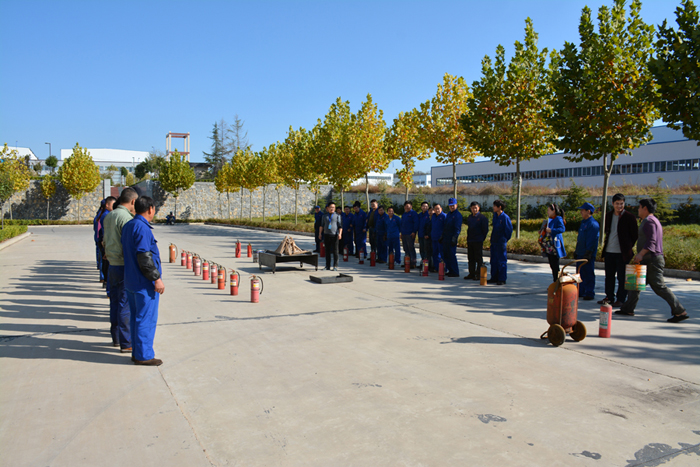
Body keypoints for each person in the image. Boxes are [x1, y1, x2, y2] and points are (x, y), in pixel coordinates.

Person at [618, 199, 689, 323]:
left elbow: (652, 242)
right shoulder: (651, 220)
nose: (638, 210)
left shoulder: (649, 221)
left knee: (659, 286)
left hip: (652, 260)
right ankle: (628, 308)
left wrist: (640, 254)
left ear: (645, 208)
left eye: (639, 207)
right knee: (635, 283)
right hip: (648, 259)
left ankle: (679, 311)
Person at [121, 196, 165, 366]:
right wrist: (157, 279)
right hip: (143, 283)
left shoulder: (129, 225)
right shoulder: (142, 228)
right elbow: (144, 258)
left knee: (136, 318)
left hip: (131, 281)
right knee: (145, 319)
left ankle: (137, 352)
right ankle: (144, 355)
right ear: (150, 209)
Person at [103, 188, 137, 352]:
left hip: (112, 264)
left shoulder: (109, 216)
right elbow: (128, 244)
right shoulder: (126, 218)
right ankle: (126, 343)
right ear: (132, 201)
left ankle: (116, 337)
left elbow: (104, 240)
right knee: (125, 305)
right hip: (123, 265)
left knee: (115, 302)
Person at [599, 193, 638, 307]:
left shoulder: (629, 217)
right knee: (609, 276)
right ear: (612, 204)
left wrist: (628, 246)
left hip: (623, 253)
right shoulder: (608, 215)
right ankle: (609, 297)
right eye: (617, 204)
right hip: (609, 251)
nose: (619, 206)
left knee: (622, 277)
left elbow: (635, 235)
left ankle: (621, 298)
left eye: (622, 204)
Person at [575, 202, 600, 300]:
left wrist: (589, 252)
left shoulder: (592, 224)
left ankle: (589, 292)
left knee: (588, 273)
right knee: (580, 273)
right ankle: (581, 291)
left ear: (588, 211)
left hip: (587, 253)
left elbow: (592, 240)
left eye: (582, 210)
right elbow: (580, 238)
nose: (581, 212)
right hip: (580, 252)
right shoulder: (583, 222)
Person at [489, 199, 513, 285]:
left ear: (500, 207)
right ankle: (494, 277)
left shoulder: (505, 217)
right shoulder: (495, 216)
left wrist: (504, 239)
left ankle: (502, 278)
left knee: (501, 260)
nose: (493, 207)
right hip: (494, 241)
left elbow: (509, 231)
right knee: (493, 260)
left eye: (495, 206)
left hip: (501, 242)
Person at [542, 203, 566, 283]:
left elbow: (562, 229)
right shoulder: (550, 219)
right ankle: (555, 281)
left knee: (555, 265)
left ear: (554, 210)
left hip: (554, 246)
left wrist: (552, 230)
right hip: (549, 246)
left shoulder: (558, 219)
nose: (547, 212)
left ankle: (557, 282)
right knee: (552, 265)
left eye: (549, 210)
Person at [464, 201, 489, 280]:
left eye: (476, 208)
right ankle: (471, 273)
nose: (474, 209)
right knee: (471, 258)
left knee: (478, 258)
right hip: (470, 240)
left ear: (479, 208)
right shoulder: (470, 217)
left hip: (478, 240)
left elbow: (485, 230)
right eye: (472, 208)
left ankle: (478, 274)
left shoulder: (482, 218)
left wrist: (481, 238)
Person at [97, 196, 116, 293]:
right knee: (107, 266)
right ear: (107, 205)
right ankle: (108, 287)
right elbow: (105, 232)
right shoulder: (106, 215)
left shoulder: (104, 214)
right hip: (105, 243)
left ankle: (105, 281)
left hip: (104, 242)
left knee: (105, 265)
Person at [442, 198, 463, 277]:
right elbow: (445, 226)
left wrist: (454, 238)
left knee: (451, 254)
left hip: (451, 238)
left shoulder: (457, 215)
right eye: (450, 205)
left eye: (453, 205)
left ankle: (455, 271)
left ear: (456, 205)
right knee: (446, 254)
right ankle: (450, 269)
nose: (452, 207)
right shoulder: (449, 214)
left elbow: (457, 228)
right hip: (446, 237)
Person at [319, 202, 343, 271]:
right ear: (328, 208)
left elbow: (340, 226)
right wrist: (320, 233)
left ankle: (335, 266)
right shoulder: (324, 216)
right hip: (326, 235)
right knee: (327, 251)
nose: (332, 209)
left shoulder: (337, 216)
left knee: (335, 251)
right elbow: (321, 225)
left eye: (333, 207)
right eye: (331, 207)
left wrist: (340, 234)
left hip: (334, 235)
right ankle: (327, 266)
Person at [400, 201, 419, 268]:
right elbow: (402, 224)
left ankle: (413, 263)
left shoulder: (413, 213)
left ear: (411, 206)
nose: (407, 207)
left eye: (408, 206)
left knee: (411, 248)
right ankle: (407, 262)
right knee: (405, 248)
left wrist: (414, 232)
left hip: (410, 234)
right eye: (406, 206)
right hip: (404, 234)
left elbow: (416, 223)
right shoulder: (404, 214)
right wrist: (401, 233)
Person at [430, 203, 446, 272]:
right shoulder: (433, 216)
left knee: (442, 254)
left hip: (441, 239)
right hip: (434, 238)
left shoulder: (444, 216)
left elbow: (446, 228)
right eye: (435, 209)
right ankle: (437, 268)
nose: (437, 210)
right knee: (435, 254)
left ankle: (444, 269)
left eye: (438, 208)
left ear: (441, 209)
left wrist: (443, 236)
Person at [93, 199, 107, 279]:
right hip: (101, 239)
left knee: (100, 256)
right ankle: (102, 276)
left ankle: (100, 269)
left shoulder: (98, 215)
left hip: (98, 238)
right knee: (102, 258)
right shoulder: (104, 216)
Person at [418, 201, 432, 270]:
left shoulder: (429, 215)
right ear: (421, 207)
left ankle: (427, 265)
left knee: (427, 251)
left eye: (426, 206)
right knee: (421, 250)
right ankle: (423, 263)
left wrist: (427, 234)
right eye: (423, 206)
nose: (425, 207)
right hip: (420, 235)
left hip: (426, 236)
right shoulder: (420, 215)